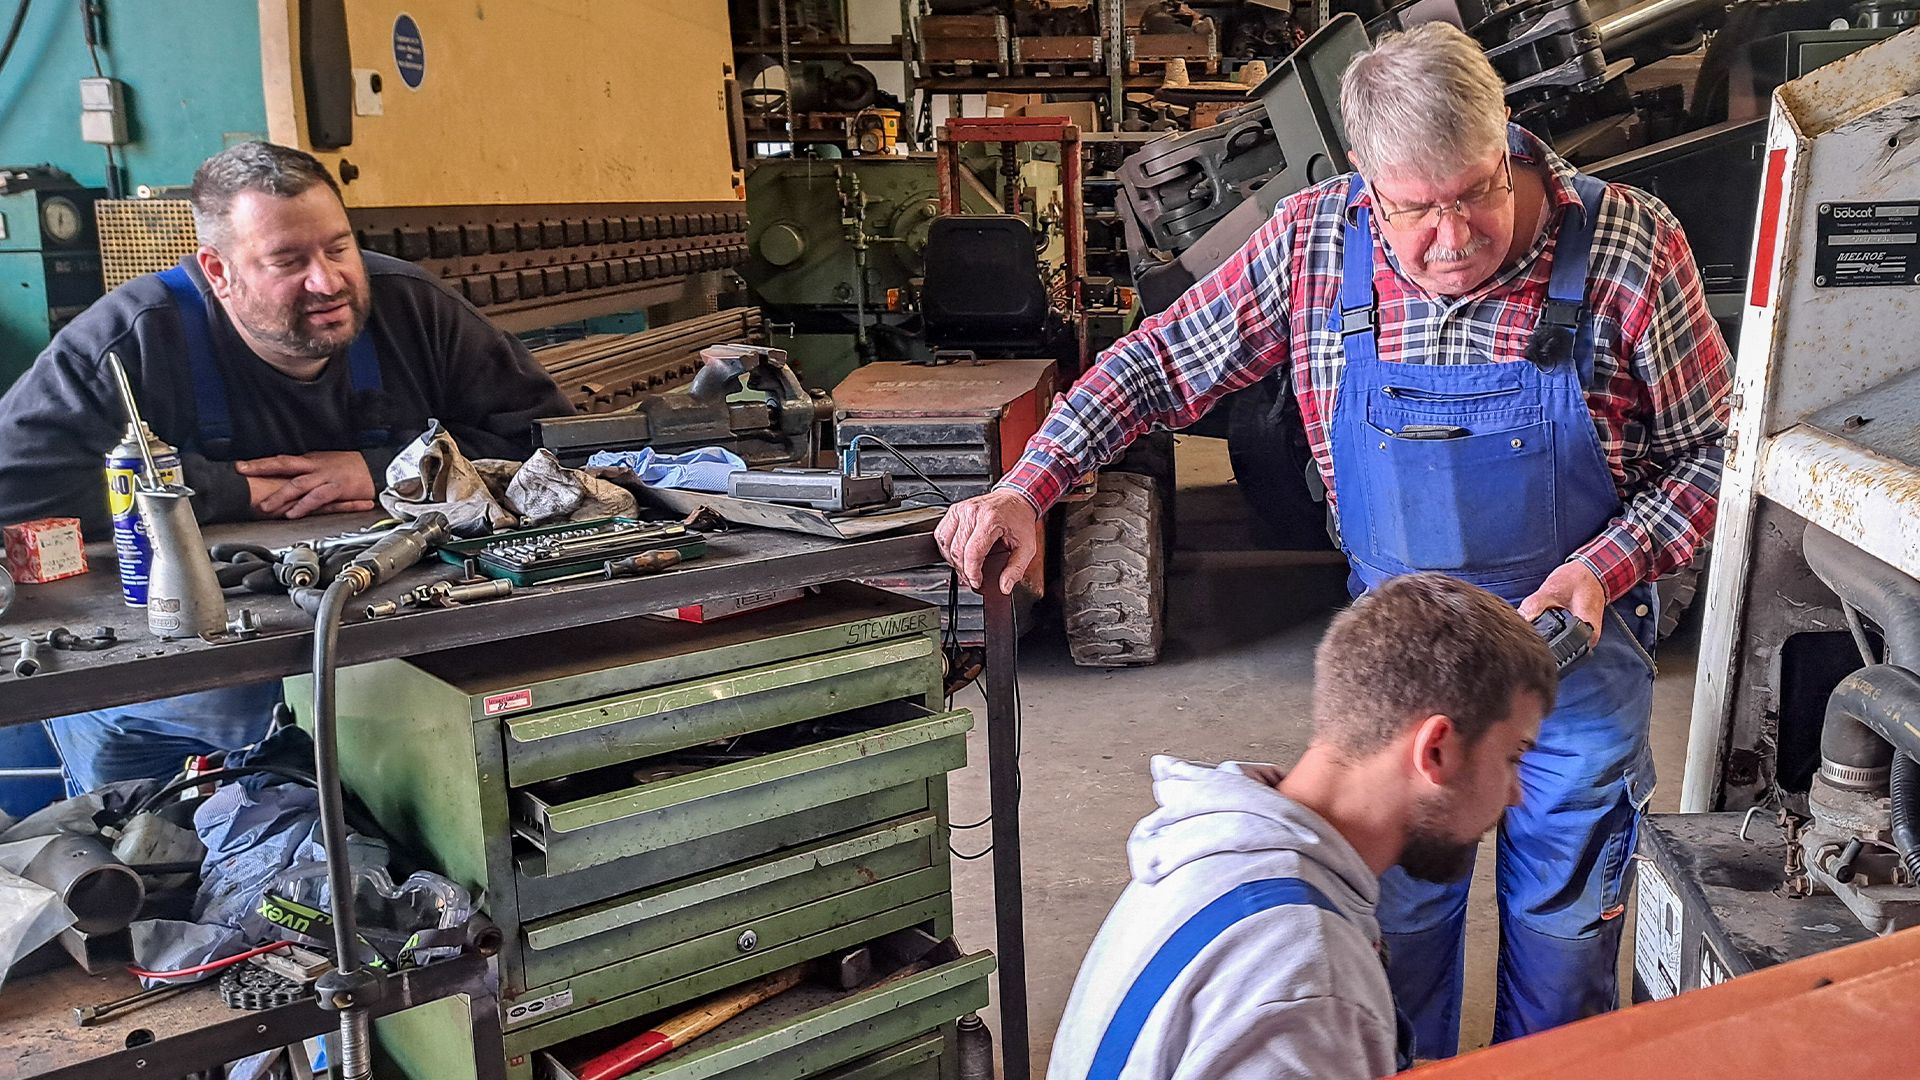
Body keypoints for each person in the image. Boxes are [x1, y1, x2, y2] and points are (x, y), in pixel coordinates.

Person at [939, 22, 1730, 1055]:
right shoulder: (1315, 240)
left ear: (1511, 144)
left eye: (1477, 192)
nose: (1453, 240)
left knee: (1567, 941)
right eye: (1415, 210)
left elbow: (1715, 453)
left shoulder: (1631, 242)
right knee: (1388, 944)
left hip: (1572, 667)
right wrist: (1026, 487)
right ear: (1364, 182)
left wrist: (1605, 565)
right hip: (1399, 683)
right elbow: (1155, 366)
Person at [0, 141, 572, 793]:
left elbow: (545, 440)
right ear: (217, 271)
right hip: (183, 670)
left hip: (391, 641)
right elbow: (16, 491)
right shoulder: (129, 343)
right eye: (288, 261)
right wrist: (219, 489)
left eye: (337, 248)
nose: (327, 281)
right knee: (152, 850)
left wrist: (386, 469)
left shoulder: (415, 309)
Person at [1047, 573, 1556, 1080]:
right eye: (1513, 757)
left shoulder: (1220, 842)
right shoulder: (1307, 980)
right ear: (1436, 750)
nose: (1516, 794)